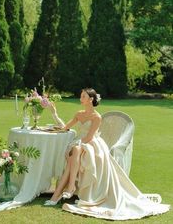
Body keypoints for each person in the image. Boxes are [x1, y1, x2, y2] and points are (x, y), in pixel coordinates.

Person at [44, 88, 170, 220]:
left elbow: (89, 137)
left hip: (92, 144)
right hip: (79, 143)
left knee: (75, 151)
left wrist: (76, 144)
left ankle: (62, 193)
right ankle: (65, 191)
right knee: (73, 156)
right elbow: (65, 127)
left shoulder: (96, 117)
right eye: (81, 96)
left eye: (83, 96)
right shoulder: (79, 114)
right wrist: (54, 114)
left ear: (91, 99)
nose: (80, 98)